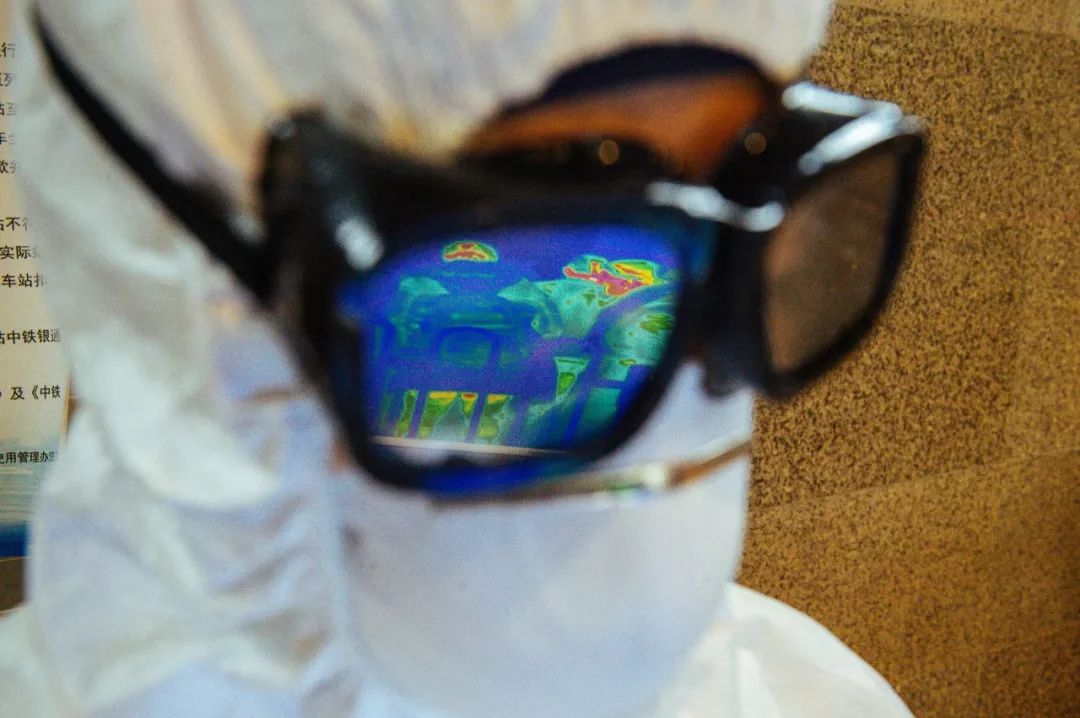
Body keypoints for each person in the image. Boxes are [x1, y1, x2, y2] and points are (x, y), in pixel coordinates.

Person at [0, 1, 922, 716]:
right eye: (525, 263)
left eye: (772, 209)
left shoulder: (812, 696)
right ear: (190, 290)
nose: (686, 395)